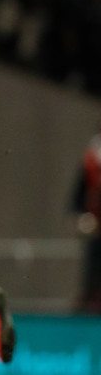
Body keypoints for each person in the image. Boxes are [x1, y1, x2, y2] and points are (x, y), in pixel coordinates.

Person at [70, 123, 101, 313]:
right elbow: (77, 199)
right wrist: (82, 217)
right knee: (93, 281)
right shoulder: (90, 163)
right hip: (96, 233)